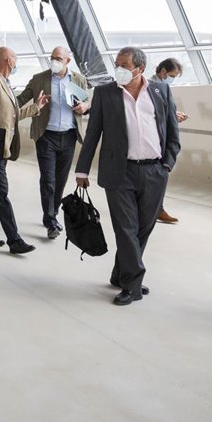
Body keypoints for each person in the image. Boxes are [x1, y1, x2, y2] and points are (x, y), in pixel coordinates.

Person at [74, 46, 180, 306]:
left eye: (124, 65)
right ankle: (132, 285)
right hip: (119, 172)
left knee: (143, 228)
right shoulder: (105, 93)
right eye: (117, 64)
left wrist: (167, 164)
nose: (118, 69)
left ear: (140, 68)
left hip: (155, 171)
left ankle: (120, 274)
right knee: (126, 228)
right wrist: (82, 169)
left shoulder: (161, 91)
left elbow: (172, 132)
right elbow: (93, 133)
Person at [0, 47, 47, 254]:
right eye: (15, 58)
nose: (16, 62)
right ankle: (14, 240)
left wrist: (36, 107)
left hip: (2, 147)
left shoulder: (5, 83)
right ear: (7, 61)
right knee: (1, 194)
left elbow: (12, 115)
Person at [17, 47, 90, 239]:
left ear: (68, 61)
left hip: (69, 136)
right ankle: (50, 221)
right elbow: (19, 100)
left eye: (58, 58)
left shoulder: (78, 79)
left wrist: (85, 106)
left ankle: (53, 213)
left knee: (61, 179)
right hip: (46, 136)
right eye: (52, 58)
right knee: (48, 180)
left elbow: (86, 103)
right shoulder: (39, 79)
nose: (54, 61)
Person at [151, 58, 188, 224]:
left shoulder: (162, 87)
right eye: (172, 75)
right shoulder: (151, 86)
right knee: (158, 176)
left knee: (160, 176)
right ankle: (157, 209)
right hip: (155, 139)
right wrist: (172, 116)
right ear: (163, 71)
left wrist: (173, 115)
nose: (173, 79)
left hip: (161, 137)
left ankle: (157, 208)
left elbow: (162, 111)